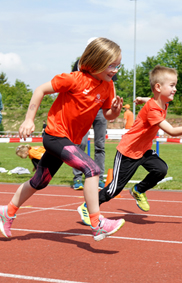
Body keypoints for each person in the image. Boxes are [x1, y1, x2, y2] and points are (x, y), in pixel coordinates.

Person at [0, 37, 125, 241]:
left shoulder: (108, 86)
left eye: (118, 65)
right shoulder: (73, 79)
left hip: (70, 141)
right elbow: (40, 89)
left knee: (39, 181)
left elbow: (108, 115)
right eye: (111, 65)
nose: (115, 70)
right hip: (55, 135)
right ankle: (97, 223)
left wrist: (115, 112)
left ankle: (7, 211)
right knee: (92, 169)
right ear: (96, 61)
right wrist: (28, 120)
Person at [77, 65, 182, 226]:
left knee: (160, 169)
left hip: (143, 151)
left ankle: (138, 190)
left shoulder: (161, 103)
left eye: (175, 85)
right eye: (172, 85)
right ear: (158, 87)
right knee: (114, 189)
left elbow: (153, 100)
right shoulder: (154, 109)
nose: (175, 89)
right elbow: (172, 131)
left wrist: (142, 98)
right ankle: (88, 207)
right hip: (128, 152)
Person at [72, 37, 118, 190]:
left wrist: (112, 108)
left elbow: (111, 84)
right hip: (83, 110)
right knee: (81, 144)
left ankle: (99, 178)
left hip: (100, 109)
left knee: (100, 145)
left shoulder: (109, 64)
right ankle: (78, 178)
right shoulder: (79, 64)